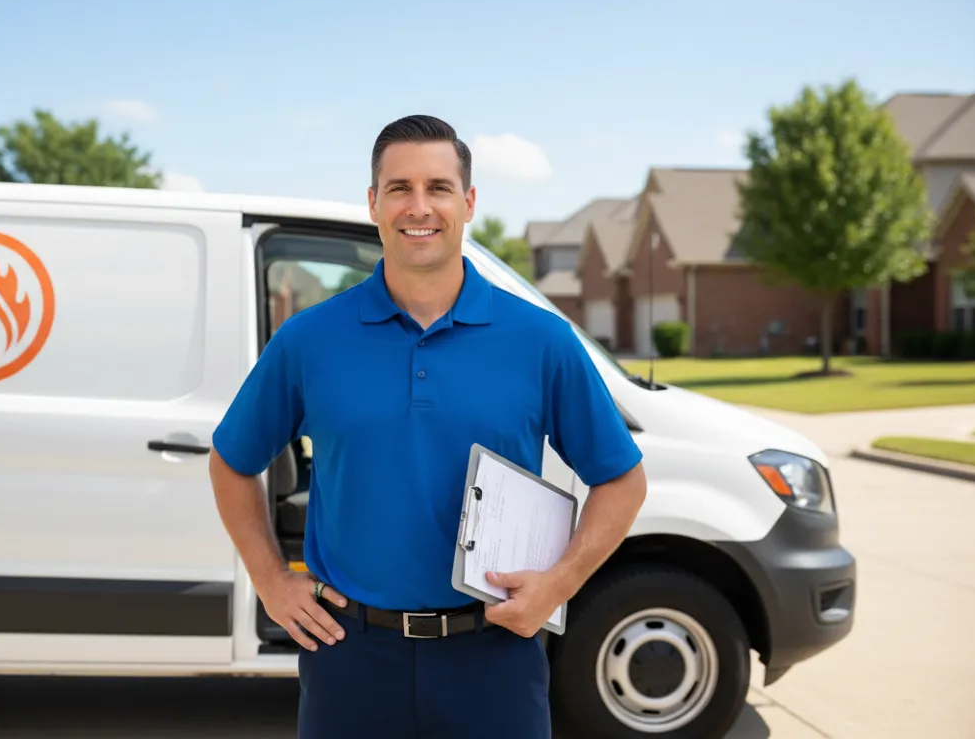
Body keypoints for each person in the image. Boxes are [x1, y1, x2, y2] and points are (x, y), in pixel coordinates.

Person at [208, 115, 647, 738]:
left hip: (493, 652)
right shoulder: (310, 339)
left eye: (439, 187)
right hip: (350, 656)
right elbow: (231, 462)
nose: (420, 207)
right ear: (373, 203)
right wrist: (271, 581)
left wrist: (559, 583)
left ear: (468, 203)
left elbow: (623, 481)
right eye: (399, 188)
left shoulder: (542, 341)